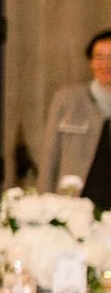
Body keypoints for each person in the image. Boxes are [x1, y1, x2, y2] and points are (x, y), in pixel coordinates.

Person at [44, 29, 111, 208]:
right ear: (90, 62)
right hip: (75, 208)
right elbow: (51, 156)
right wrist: (45, 202)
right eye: (99, 57)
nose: (106, 64)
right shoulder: (66, 100)